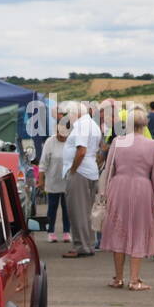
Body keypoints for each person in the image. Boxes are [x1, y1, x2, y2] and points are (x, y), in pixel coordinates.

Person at [100, 112, 154, 290]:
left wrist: (105, 192)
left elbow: (109, 168)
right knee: (139, 230)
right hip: (142, 188)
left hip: (118, 186)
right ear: (144, 125)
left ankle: (118, 278)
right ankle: (134, 280)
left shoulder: (117, 142)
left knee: (118, 229)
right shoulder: (153, 145)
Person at [61, 102, 102, 258]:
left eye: (68, 114)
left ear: (75, 113)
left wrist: (72, 169)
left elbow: (81, 150)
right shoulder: (92, 124)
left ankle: (81, 246)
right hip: (90, 171)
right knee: (86, 212)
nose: (68, 118)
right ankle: (88, 244)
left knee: (77, 211)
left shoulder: (81, 125)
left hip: (80, 172)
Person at [38, 118, 71, 242]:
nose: (61, 135)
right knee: (52, 208)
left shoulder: (71, 142)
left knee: (67, 208)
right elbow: (43, 163)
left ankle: (67, 232)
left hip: (67, 181)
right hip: (53, 181)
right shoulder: (50, 142)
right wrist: (41, 180)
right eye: (59, 132)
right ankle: (50, 231)